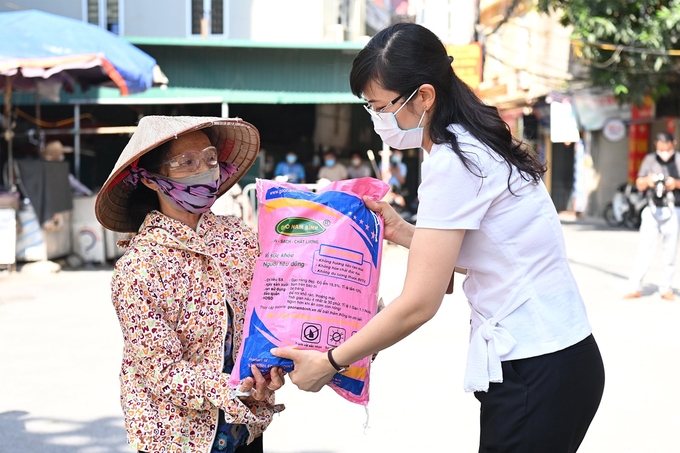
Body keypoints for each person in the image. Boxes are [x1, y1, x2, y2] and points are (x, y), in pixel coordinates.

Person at [272, 23, 604, 453]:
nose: (376, 118)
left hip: (536, 366)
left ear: (423, 96)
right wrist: (406, 233)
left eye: (380, 106)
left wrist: (330, 361)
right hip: (554, 359)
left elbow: (419, 304)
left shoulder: (454, 160)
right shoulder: (474, 139)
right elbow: (500, 256)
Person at [94, 116, 285, 453]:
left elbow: (276, 307)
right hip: (176, 437)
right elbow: (160, 370)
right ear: (152, 180)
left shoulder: (238, 237)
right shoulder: (140, 266)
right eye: (187, 162)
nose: (205, 170)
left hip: (244, 427)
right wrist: (231, 388)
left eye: (210, 158)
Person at [624, 130, 680, 301]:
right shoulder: (649, 159)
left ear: (674, 144)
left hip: (674, 209)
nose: (664, 153)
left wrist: (675, 184)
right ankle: (635, 287)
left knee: (670, 251)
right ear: (656, 145)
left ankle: (666, 288)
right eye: (661, 149)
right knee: (644, 249)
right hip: (652, 208)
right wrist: (649, 181)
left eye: (667, 149)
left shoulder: (678, 160)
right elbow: (639, 183)